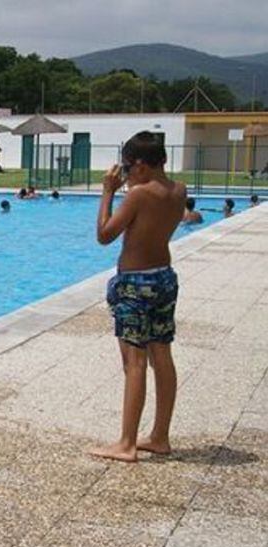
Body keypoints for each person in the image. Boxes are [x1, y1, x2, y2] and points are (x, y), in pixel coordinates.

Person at [91, 131, 186, 463]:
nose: (126, 176)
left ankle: (127, 443)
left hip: (135, 285)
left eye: (128, 169)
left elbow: (104, 235)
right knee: (162, 355)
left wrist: (107, 193)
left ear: (142, 166)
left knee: (134, 364)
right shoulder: (178, 191)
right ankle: (160, 436)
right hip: (164, 277)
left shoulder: (139, 195)